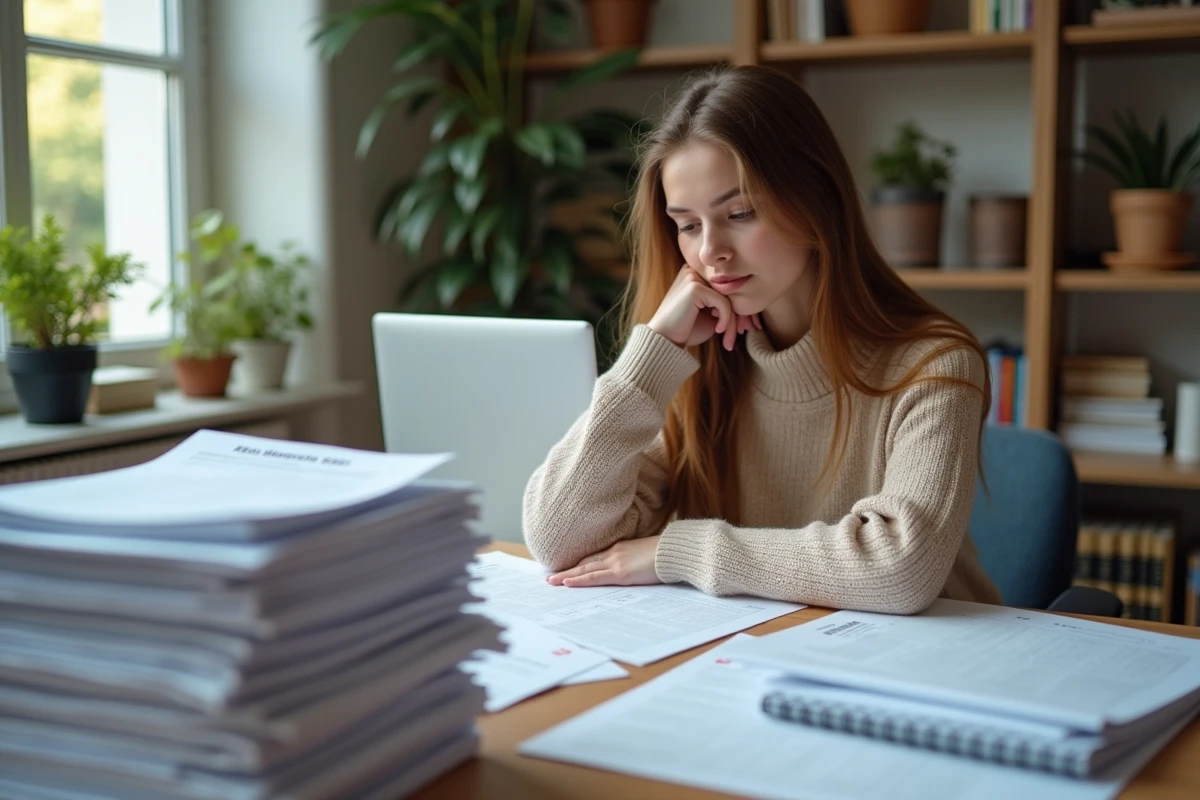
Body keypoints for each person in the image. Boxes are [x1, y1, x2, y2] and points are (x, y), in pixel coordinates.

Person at [522, 65, 1001, 614]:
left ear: (814, 199)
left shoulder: (935, 365)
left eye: (740, 213)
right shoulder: (693, 366)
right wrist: (651, 354)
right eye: (688, 224)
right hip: (762, 657)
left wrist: (677, 551)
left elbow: (898, 568)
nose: (711, 252)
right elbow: (559, 540)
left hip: (933, 672)